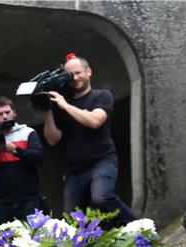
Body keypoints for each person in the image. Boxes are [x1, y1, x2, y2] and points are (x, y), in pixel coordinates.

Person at [43, 53, 136, 225]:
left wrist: (64, 105)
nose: (75, 78)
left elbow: (95, 121)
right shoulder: (61, 105)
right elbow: (52, 139)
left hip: (102, 161)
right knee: (73, 219)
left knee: (102, 197)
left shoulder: (102, 96)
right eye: (70, 75)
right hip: (75, 171)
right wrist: (48, 109)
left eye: (78, 73)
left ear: (89, 72)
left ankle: (141, 229)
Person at [0, 96, 44, 223]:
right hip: (2, 202)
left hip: (28, 199)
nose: (4, 117)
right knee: (3, 241)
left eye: (7, 112)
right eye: (0, 114)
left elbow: (38, 159)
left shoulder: (28, 133)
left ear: (14, 113)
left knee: (35, 239)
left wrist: (14, 149)